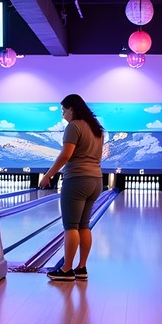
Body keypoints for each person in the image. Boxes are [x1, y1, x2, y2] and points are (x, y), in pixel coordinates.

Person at [39, 94, 104, 282]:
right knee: (84, 226)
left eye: (63, 110)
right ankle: (81, 268)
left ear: (72, 109)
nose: (62, 115)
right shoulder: (96, 129)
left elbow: (65, 155)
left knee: (70, 227)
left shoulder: (74, 126)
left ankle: (66, 270)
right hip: (96, 180)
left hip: (76, 180)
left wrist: (48, 175)